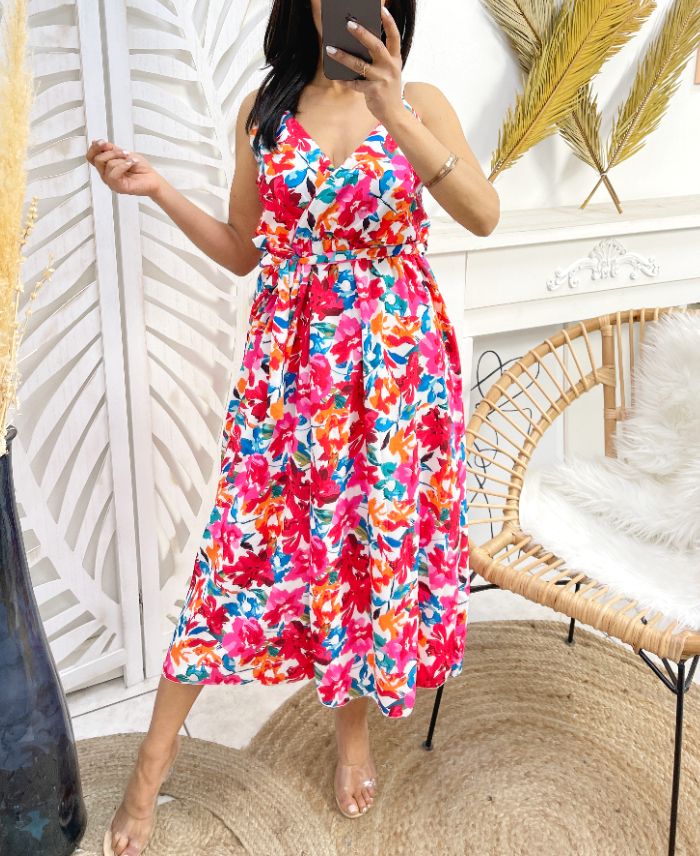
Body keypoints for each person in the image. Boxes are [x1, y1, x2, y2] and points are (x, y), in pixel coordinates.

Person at [87, 0, 499, 852]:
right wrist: (158, 189)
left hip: (397, 378)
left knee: (361, 552)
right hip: (292, 372)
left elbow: (483, 213)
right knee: (237, 549)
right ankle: (153, 762)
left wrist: (393, 112)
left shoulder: (418, 102)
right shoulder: (266, 109)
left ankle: (351, 736)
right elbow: (245, 249)